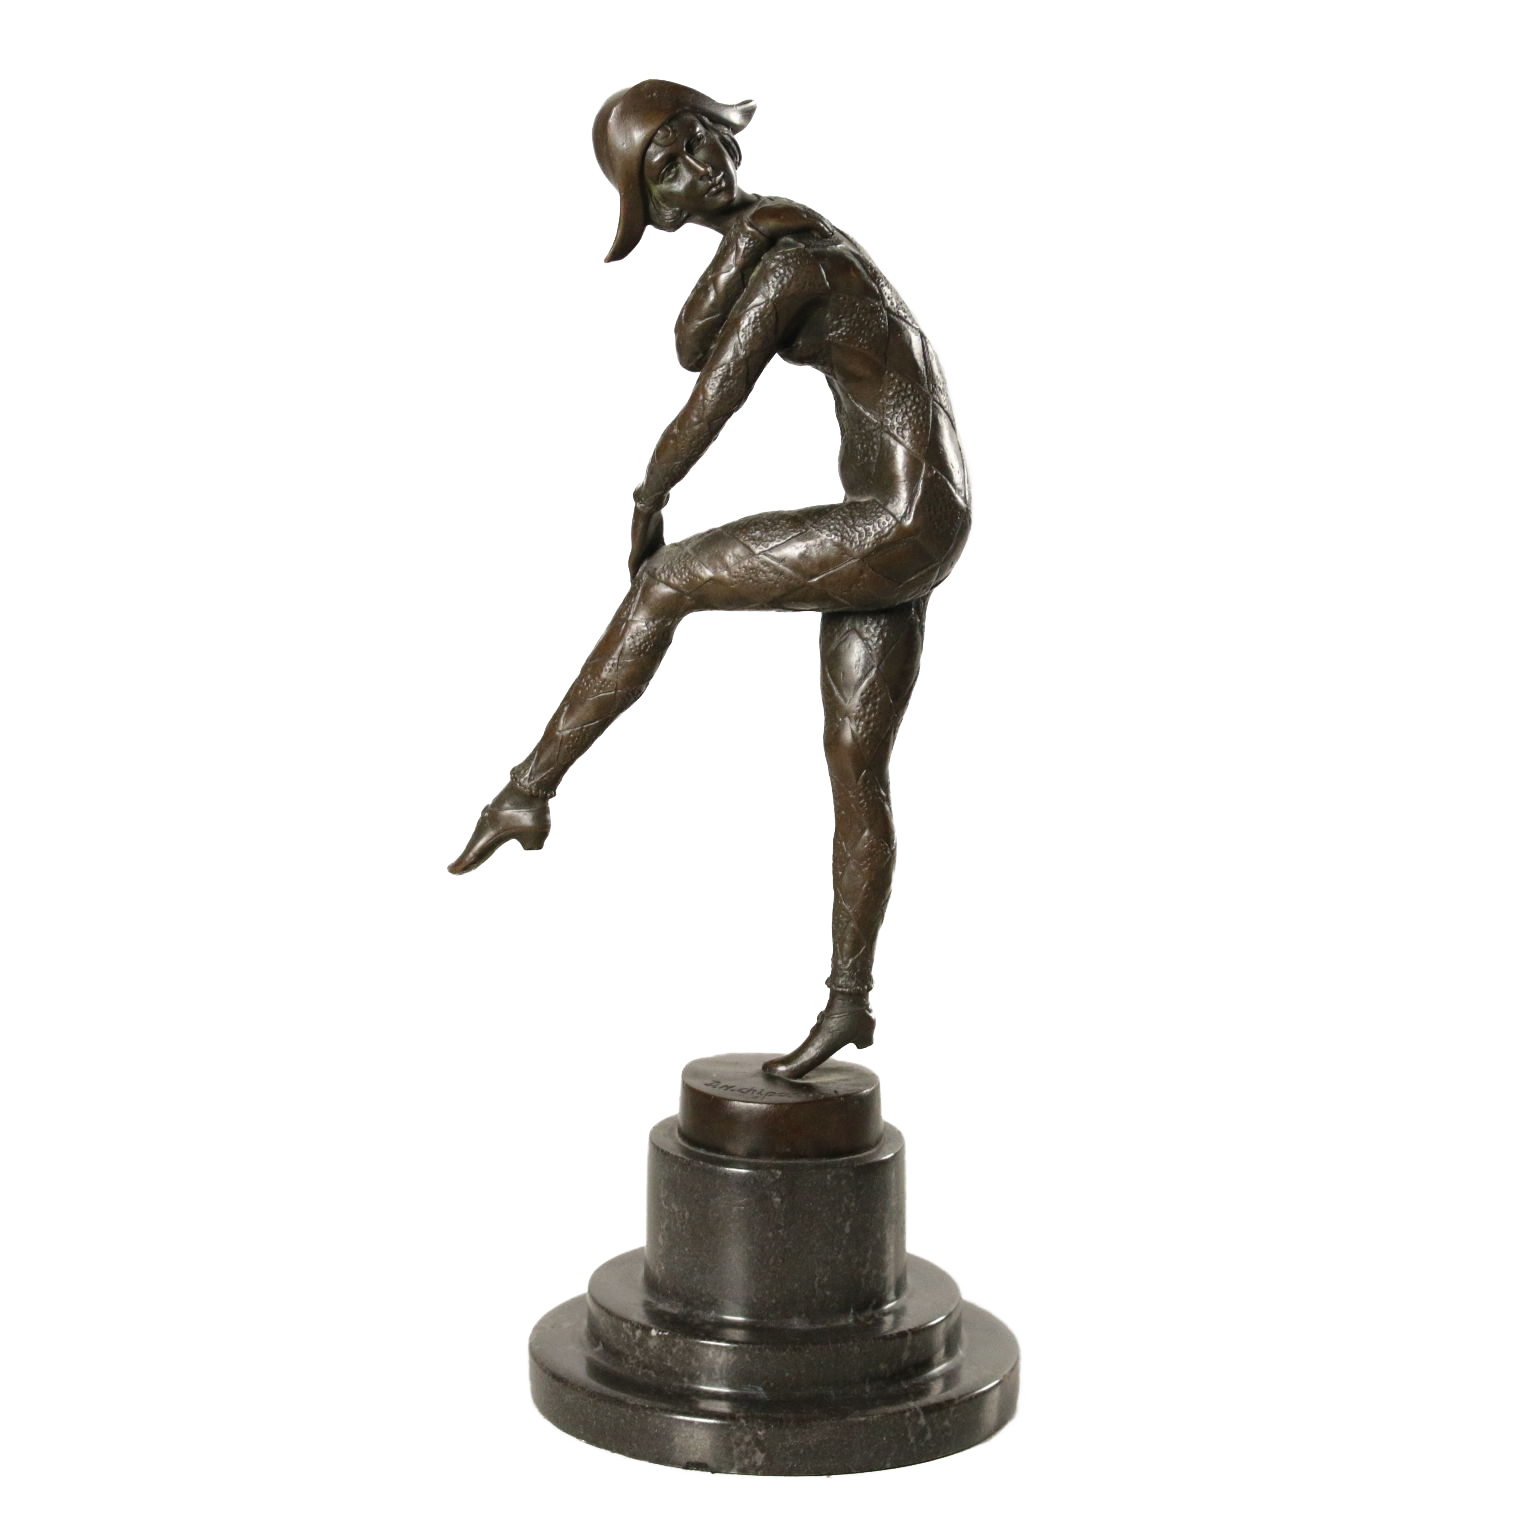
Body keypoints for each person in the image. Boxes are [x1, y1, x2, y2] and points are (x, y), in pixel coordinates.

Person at [449, 80, 971, 1079]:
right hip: (918, 518)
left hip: (900, 519)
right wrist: (736, 244)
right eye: (669, 169)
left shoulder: (797, 260)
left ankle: (528, 790)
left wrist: (648, 500)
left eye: (701, 143)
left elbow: (710, 399)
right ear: (654, 207)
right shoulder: (778, 240)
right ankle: (849, 1003)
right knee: (856, 763)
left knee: (667, 582)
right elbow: (692, 341)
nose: (703, 169)